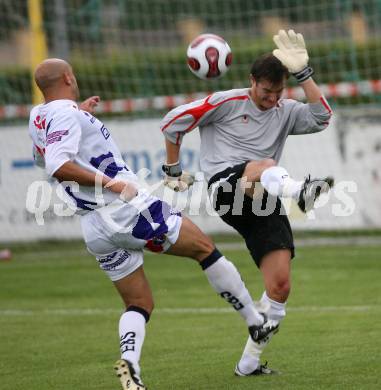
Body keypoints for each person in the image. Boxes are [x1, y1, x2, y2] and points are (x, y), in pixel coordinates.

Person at [28, 59, 277, 390]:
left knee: (139, 303)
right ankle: (255, 321)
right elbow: (59, 165)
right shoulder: (64, 115)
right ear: (68, 77)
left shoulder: (39, 117)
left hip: (94, 227)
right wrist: (115, 185)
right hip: (124, 209)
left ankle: (130, 366)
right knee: (205, 249)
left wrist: (81, 115)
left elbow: (44, 156)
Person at [160, 29, 334, 376]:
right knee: (266, 165)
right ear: (252, 81)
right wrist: (173, 168)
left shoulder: (284, 110)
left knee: (280, 285)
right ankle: (299, 190)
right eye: (266, 92)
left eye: (278, 92)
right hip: (226, 187)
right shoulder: (226, 102)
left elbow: (322, 117)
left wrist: (304, 75)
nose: (271, 99)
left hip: (262, 197)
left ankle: (248, 363)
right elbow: (172, 123)